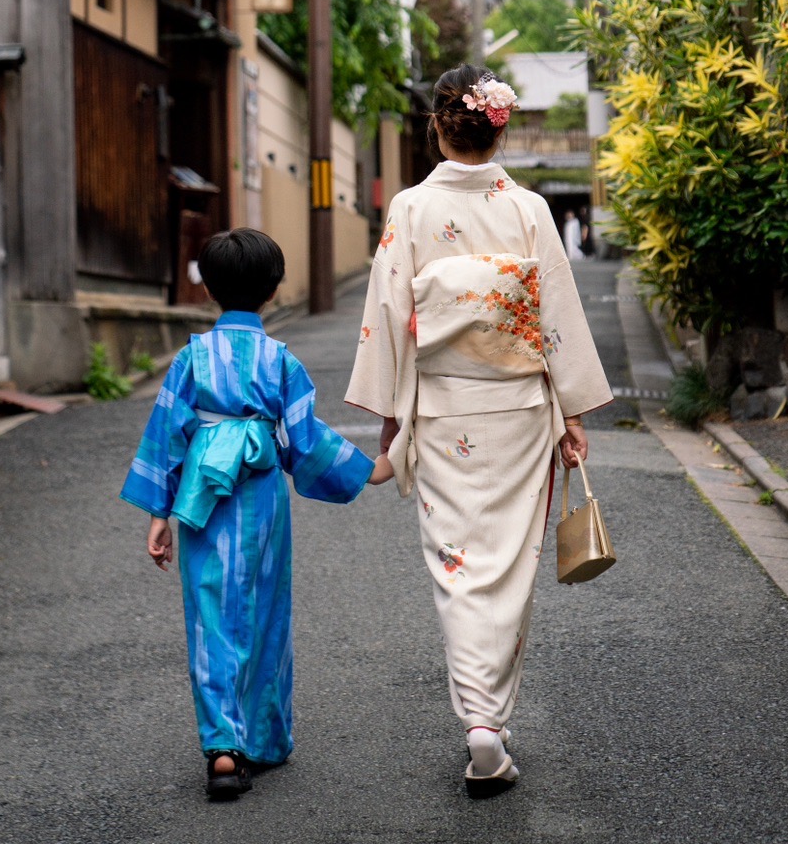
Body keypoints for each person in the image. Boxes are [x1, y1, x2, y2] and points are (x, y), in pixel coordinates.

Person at [347, 65, 611, 798]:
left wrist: (392, 420)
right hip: (521, 408)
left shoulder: (409, 206)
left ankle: (480, 726)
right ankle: (492, 722)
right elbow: (554, 315)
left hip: (444, 405)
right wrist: (572, 413)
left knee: (458, 566)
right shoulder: (527, 209)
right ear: (500, 125)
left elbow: (390, 316)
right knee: (509, 565)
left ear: (437, 125)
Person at [122, 227, 393, 802]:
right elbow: (304, 441)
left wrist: (158, 514)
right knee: (265, 611)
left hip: (201, 496)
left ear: (209, 289)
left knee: (211, 617)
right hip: (261, 501)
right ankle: (264, 738)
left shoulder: (191, 359)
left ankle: (223, 748)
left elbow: (167, 435)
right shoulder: (280, 361)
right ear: (273, 291)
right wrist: (368, 469)